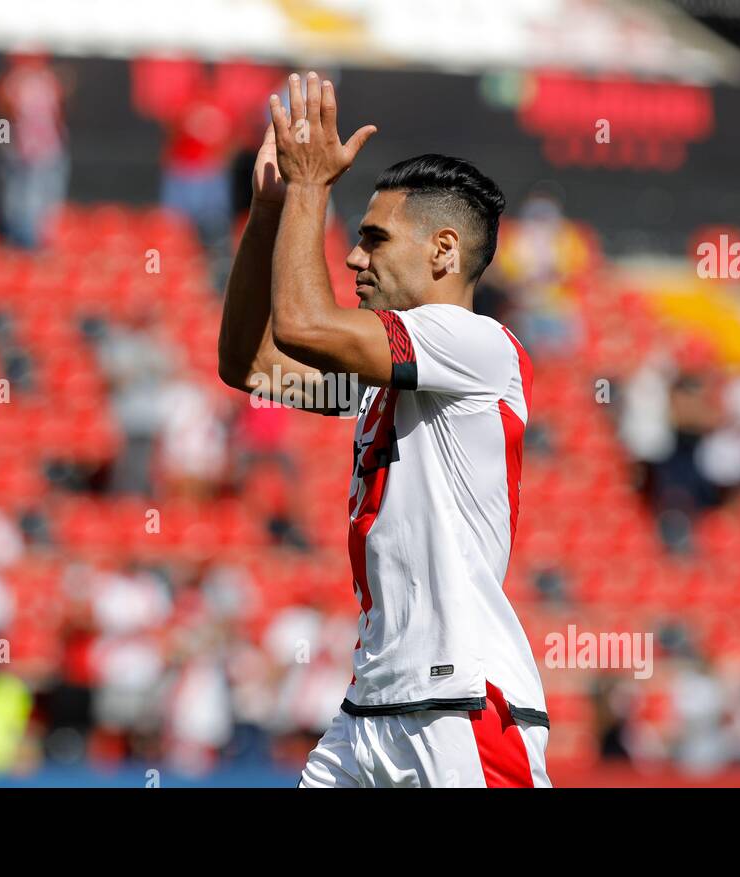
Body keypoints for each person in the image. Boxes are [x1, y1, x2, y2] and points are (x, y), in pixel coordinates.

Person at [217, 72, 549, 787]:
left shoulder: (475, 343)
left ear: (443, 251)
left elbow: (303, 325)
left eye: (373, 238)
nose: (352, 256)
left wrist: (310, 188)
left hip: (461, 704)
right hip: (372, 706)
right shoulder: (385, 377)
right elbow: (249, 365)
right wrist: (271, 208)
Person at [0, 51, 70, 249]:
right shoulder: (12, 83)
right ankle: (22, 241)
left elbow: (58, 115)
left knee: (46, 200)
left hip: (48, 151)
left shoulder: (48, 81)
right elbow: (2, 119)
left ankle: (39, 241)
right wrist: (6, 145)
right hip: (21, 153)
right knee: (20, 199)